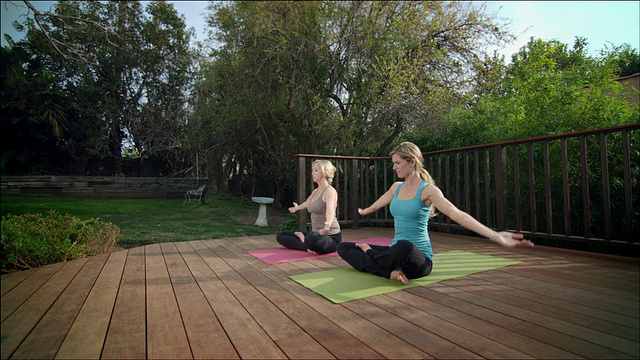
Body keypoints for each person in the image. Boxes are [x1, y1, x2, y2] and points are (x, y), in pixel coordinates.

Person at [337, 142, 534, 284]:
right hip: (393, 253)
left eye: (397, 163)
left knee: (404, 246)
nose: (394, 167)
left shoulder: (428, 191)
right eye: (394, 163)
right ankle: (389, 272)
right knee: (345, 247)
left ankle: (375, 259)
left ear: (412, 162)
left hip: (418, 258)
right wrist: (366, 210)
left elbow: (456, 213)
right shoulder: (396, 187)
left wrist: (495, 235)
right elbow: (382, 201)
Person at [276, 159, 342, 254]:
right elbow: (307, 203)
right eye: (313, 170)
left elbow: (330, 210)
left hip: (331, 237)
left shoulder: (329, 191)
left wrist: (327, 226)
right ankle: (308, 245)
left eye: (316, 170)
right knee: (281, 235)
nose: (312, 173)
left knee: (312, 238)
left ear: (324, 173)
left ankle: (305, 241)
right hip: (316, 234)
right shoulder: (315, 191)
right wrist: (296, 208)